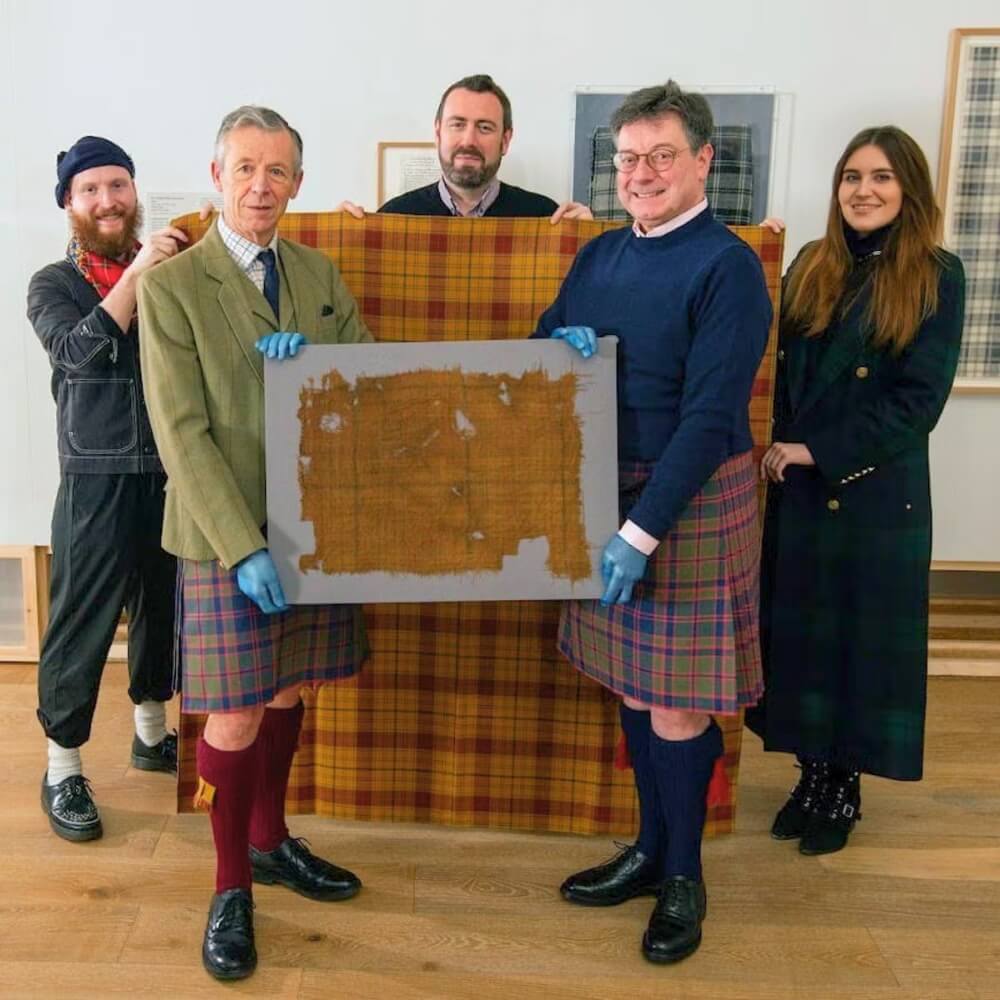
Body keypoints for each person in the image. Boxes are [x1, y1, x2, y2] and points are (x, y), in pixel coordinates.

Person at [532, 81, 771, 964]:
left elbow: (713, 418)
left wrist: (639, 534)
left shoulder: (728, 265)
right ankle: (647, 850)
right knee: (635, 688)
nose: (640, 172)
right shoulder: (598, 256)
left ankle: (685, 876)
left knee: (676, 706)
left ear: (703, 160)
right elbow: (542, 341)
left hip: (692, 494)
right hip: (602, 486)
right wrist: (558, 348)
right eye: (627, 158)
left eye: (660, 156)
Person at [137, 105, 372, 982]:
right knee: (234, 708)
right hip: (219, 535)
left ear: (298, 184)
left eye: (277, 171)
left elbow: (368, 375)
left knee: (290, 687)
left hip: (314, 525)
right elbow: (182, 434)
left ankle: (271, 840)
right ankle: (231, 884)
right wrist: (242, 548)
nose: (260, 186)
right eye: (245, 168)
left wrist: (312, 363)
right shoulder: (171, 286)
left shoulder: (315, 270)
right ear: (216, 174)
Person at [745, 126, 965, 856]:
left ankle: (844, 787)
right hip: (798, 488)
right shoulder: (812, 262)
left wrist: (819, 450)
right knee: (803, 648)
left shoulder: (938, 274)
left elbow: (918, 402)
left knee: (855, 651)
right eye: (851, 177)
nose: (863, 191)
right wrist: (758, 253)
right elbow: (769, 357)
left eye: (880, 177)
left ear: (909, 190)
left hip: (872, 494)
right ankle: (810, 776)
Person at [29, 136, 185, 844]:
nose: (108, 200)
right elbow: (77, 352)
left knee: (165, 605)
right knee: (81, 621)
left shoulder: (170, 269)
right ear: (70, 204)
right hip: (93, 478)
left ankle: (151, 733)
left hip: (172, 469)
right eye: (91, 189)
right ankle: (62, 767)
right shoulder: (51, 284)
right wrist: (140, 276)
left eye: (118, 185)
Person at [338, 74, 592, 222]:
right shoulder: (395, 217)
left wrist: (588, 246)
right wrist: (340, 240)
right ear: (438, 133)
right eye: (457, 125)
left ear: (505, 140)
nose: (469, 141)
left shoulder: (544, 217)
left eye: (484, 128)